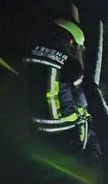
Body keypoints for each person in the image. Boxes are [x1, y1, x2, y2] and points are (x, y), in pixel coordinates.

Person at [24, 16, 91, 153]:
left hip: (35, 122)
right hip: (62, 126)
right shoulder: (71, 65)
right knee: (85, 116)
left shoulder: (32, 52)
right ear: (71, 40)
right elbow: (80, 97)